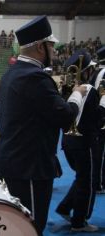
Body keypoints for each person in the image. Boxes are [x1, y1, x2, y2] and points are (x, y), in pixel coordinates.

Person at [0, 15, 87, 235]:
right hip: (30, 167)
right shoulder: (34, 77)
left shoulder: (12, 74)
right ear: (40, 47)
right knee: (31, 226)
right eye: (52, 46)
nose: (55, 52)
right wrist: (76, 95)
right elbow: (65, 116)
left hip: (15, 162)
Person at [56, 49, 100, 232]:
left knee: (81, 177)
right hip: (83, 141)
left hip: (67, 141)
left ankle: (65, 207)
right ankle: (79, 221)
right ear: (89, 71)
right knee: (87, 181)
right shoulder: (89, 90)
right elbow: (96, 119)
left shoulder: (67, 89)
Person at [92, 46, 105, 193]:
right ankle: (98, 183)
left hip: (96, 114)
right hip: (102, 114)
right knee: (100, 153)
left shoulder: (96, 71)